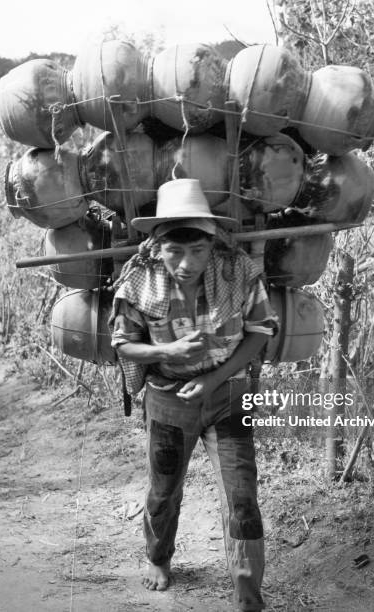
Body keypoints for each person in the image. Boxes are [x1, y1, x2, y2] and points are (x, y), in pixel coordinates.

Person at [109, 179, 278, 612]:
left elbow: (260, 331)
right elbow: (123, 343)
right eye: (175, 251)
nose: (187, 263)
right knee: (163, 489)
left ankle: (247, 595)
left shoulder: (237, 271)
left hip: (229, 396)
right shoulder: (140, 279)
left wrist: (215, 377)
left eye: (198, 251)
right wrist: (167, 351)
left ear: (211, 243)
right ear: (157, 245)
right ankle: (158, 558)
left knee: (242, 496)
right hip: (168, 398)